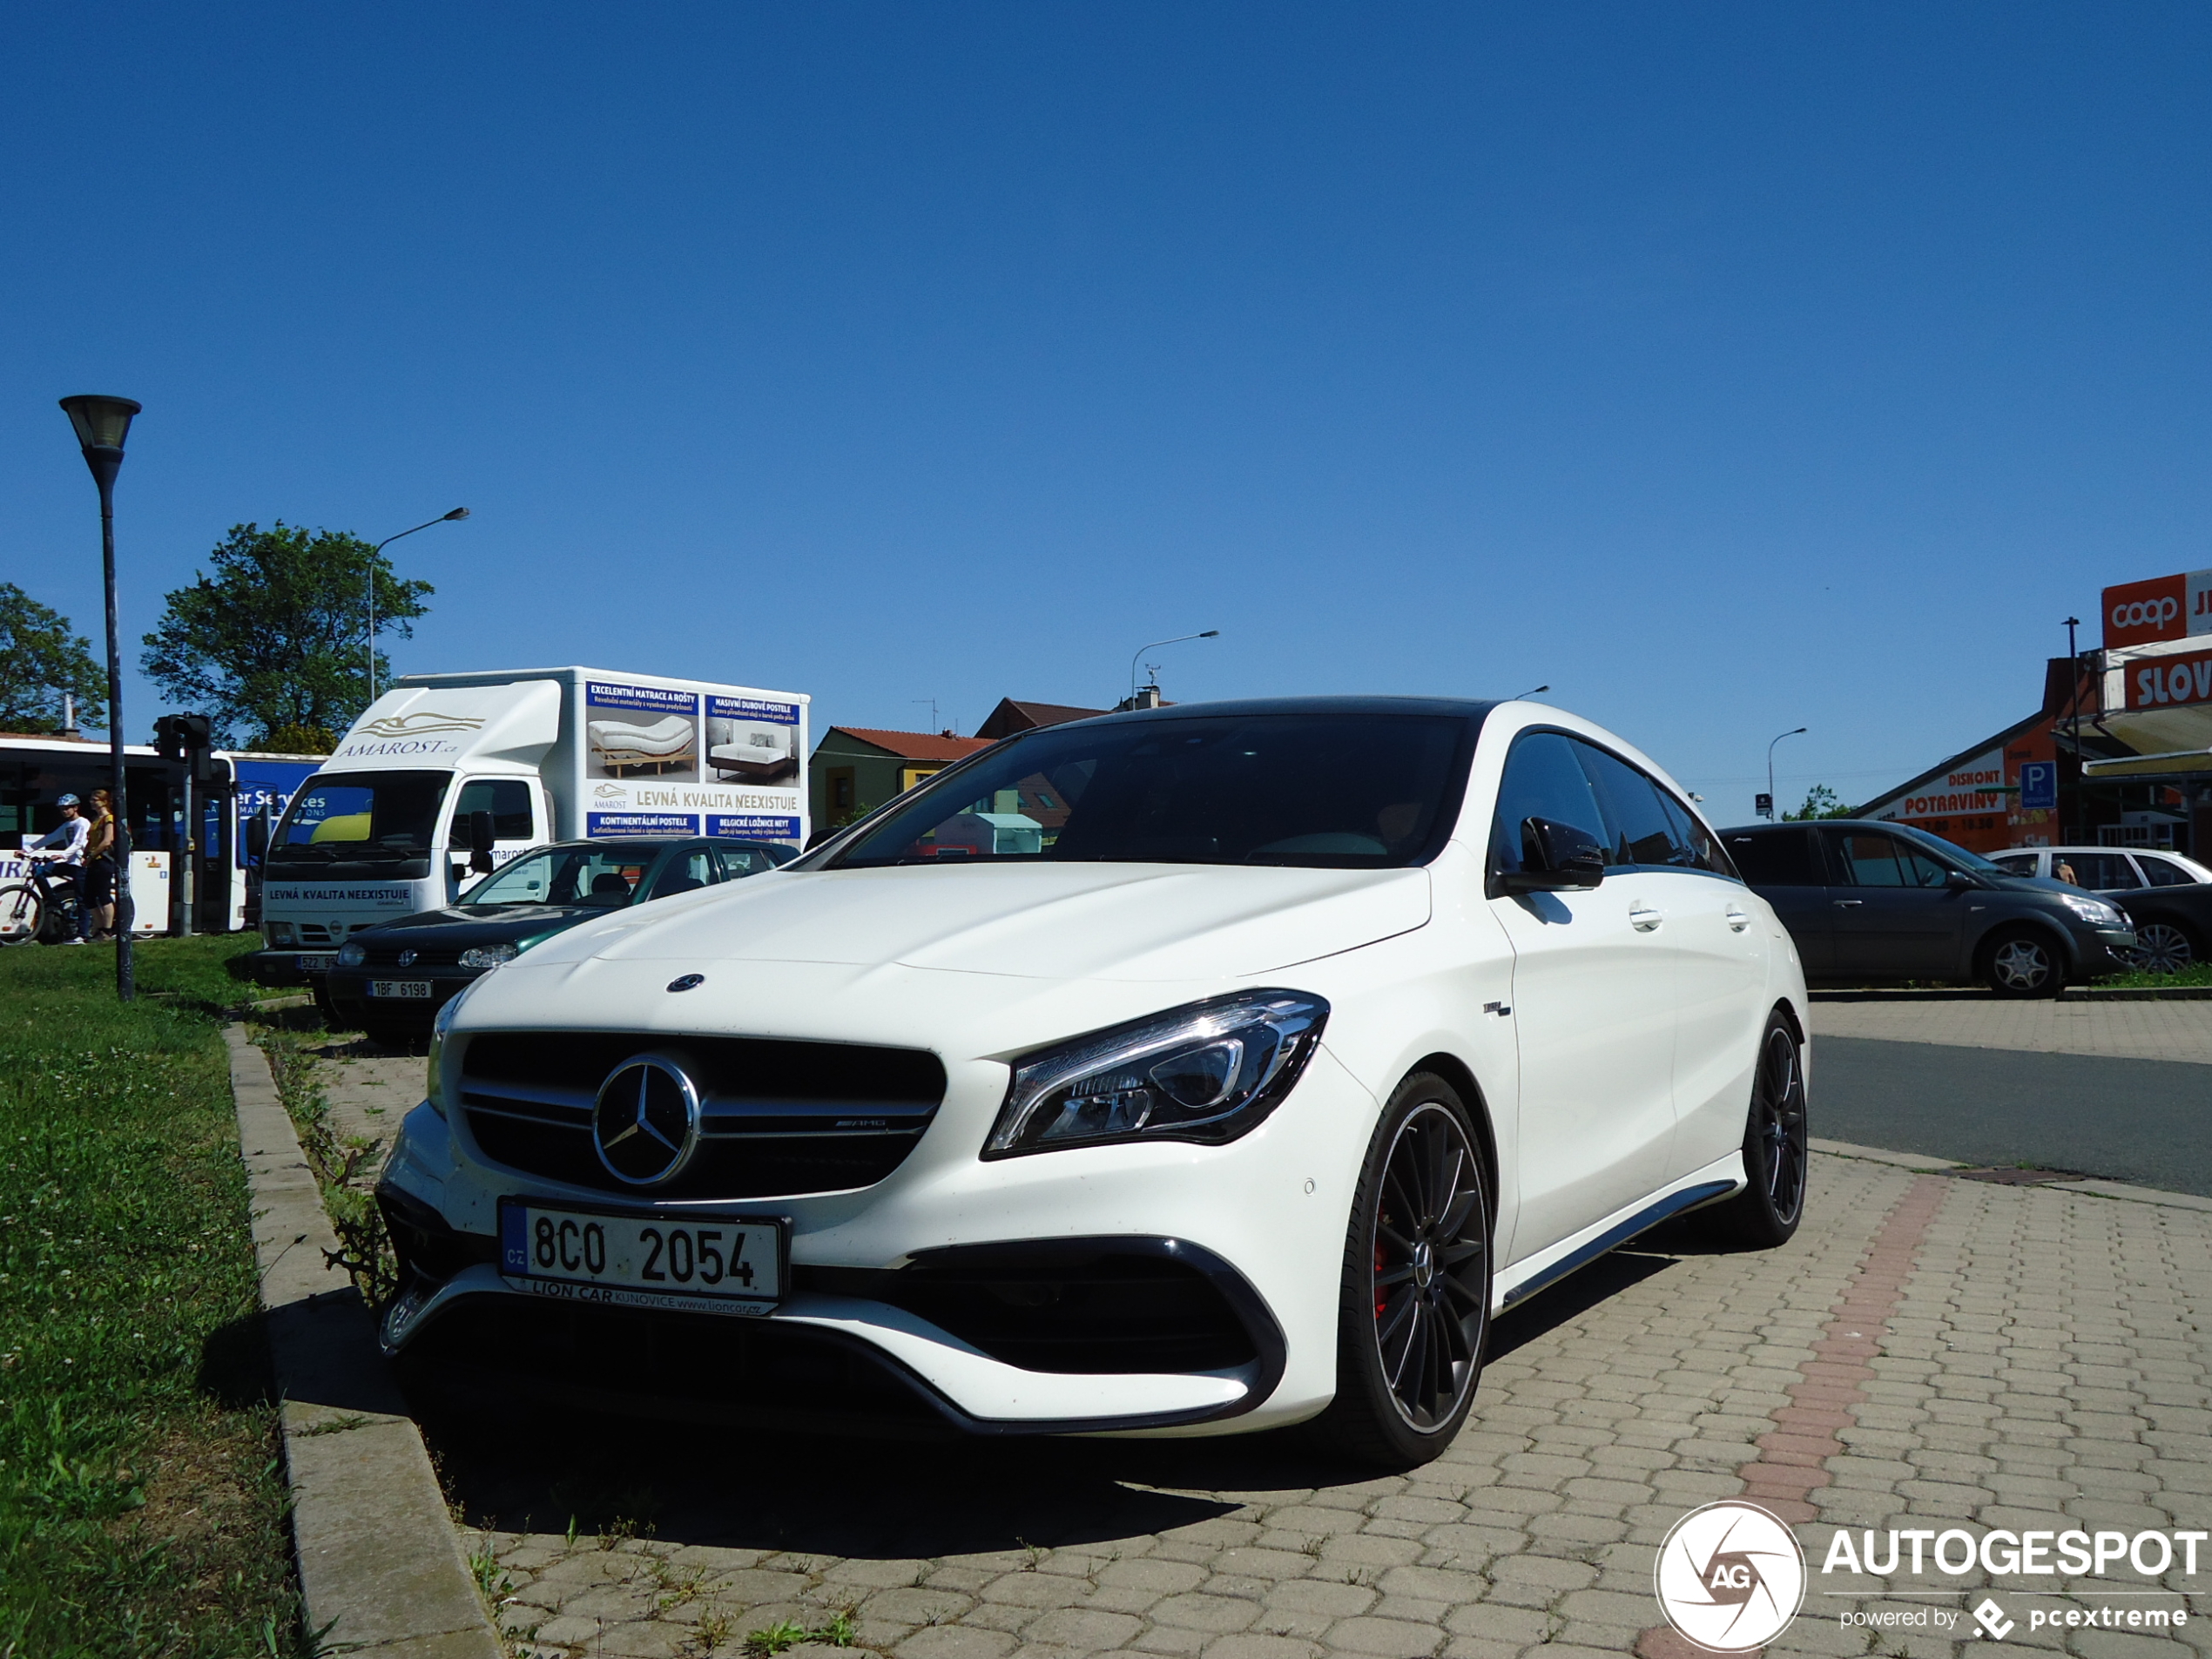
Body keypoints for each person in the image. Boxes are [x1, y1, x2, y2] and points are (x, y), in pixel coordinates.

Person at [24, 793, 91, 943]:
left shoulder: (82, 823)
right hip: (69, 863)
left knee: (82, 899)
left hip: (81, 864)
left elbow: (79, 843)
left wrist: (62, 855)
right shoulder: (66, 825)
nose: (64, 811)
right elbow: (50, 838)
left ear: (76, 808)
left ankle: (83, 934)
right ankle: (54, 903)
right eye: (62, 809)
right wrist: (27, 850)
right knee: (40, 871)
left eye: (67, 808)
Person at [81, 788, 118, 941]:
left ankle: (107, 930)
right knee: (88, 897)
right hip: (93, 861)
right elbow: (91, 841)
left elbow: (107, 840)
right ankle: (98, 927)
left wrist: (91, 855)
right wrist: (86, 854)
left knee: (103, 895)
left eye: (95, 799)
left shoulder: (109, 818)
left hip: (104, 860)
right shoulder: (95, 820)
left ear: (104, 801)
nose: (91, 802)